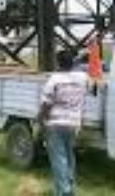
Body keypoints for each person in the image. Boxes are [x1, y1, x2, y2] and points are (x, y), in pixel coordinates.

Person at [38, 50, 88, 196]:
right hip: (73, 124)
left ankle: (63, 192)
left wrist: (40, 119)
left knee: (58, 158)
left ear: (57, 62)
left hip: (55, 123)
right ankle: (70, 188)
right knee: (69, 156)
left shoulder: (54, 80)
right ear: (73, 63)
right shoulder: (82, 78)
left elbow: (46, 103)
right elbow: (92, 82)